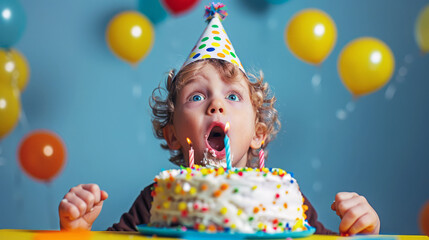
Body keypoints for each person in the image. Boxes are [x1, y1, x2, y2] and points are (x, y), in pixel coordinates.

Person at [58, 2, 380, 235]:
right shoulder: (158, 198)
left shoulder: (283, 198)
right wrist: (77, 230)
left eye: (233, 96)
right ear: (171, 135)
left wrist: (362, 231)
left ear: (258, 133)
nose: (215, 105)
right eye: (197, 97)